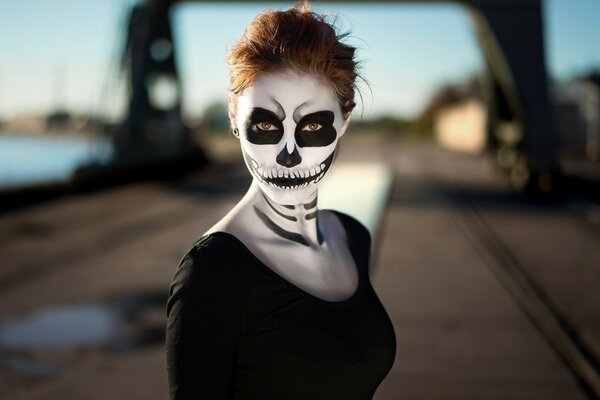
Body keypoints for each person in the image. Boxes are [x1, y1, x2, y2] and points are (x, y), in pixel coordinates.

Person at [166, 3, 396, 399]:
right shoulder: (212, 275)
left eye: (312, 126)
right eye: (267, 124)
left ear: (344, 120)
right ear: (234, 116)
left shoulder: (352, 236)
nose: (288, 155)